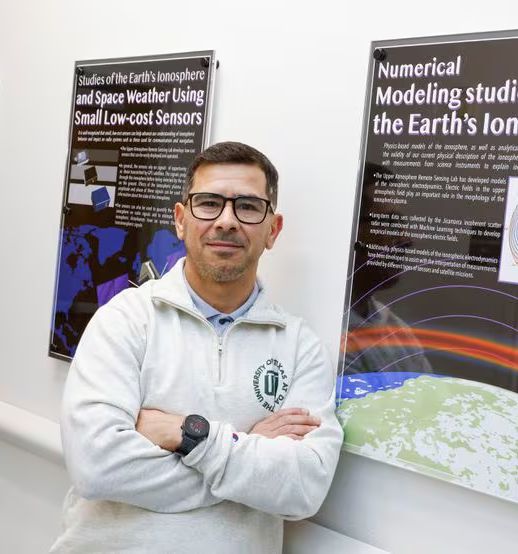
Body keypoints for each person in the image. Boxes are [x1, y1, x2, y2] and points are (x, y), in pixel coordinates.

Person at [50, 141, 343, 554]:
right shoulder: (126, 320)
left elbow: (302, 490)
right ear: (181, 220)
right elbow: (97, 466)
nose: (226, 221)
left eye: (248, 206)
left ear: (272, 229)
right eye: (209, 203)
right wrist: (245, 447)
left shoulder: (299, 348)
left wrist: (184, 433)